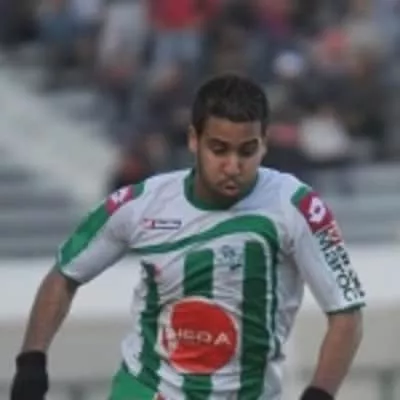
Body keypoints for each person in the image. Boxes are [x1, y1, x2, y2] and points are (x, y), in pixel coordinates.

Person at [10, 74, 365, 400]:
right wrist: (31, 361)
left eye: (246, 151)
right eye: (219, 149)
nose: (233, 166)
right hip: (146, 390)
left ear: (264, 144)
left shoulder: (298, 207)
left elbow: (346, 313)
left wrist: (319, 394)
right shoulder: (141, 203)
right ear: (194, 139)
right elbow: (65, 274)